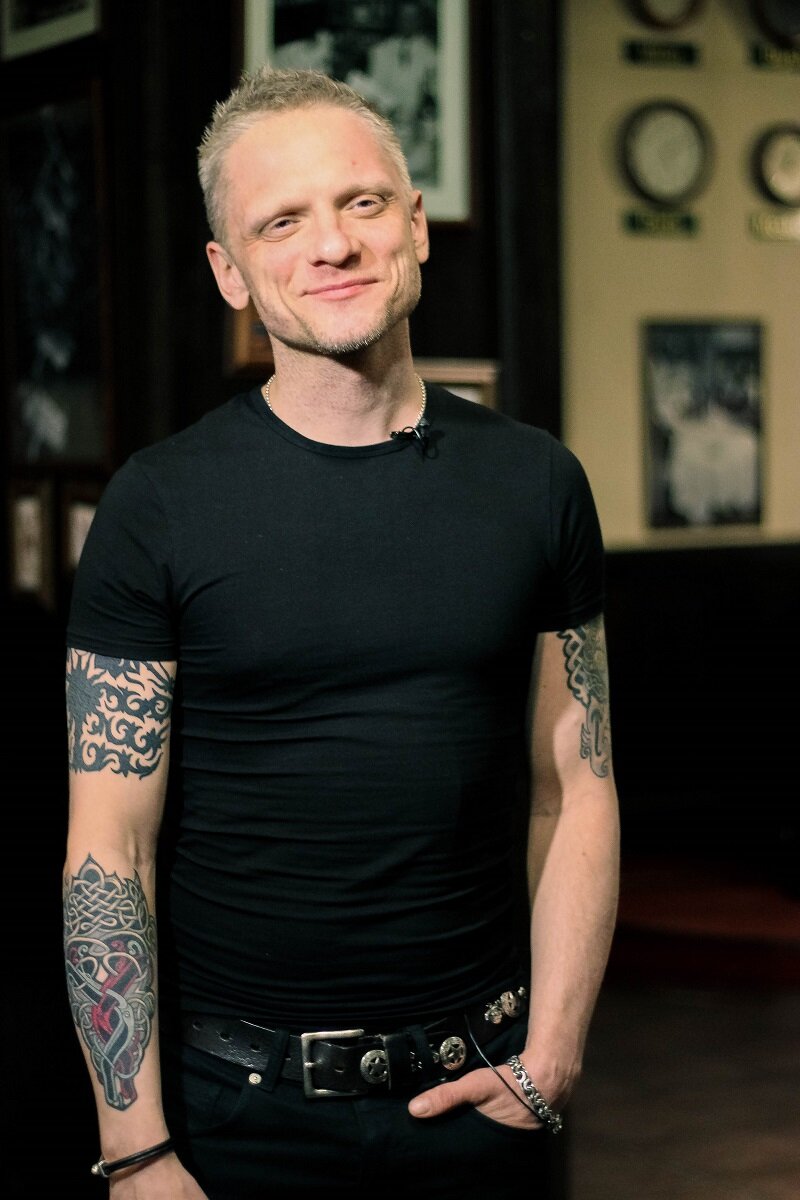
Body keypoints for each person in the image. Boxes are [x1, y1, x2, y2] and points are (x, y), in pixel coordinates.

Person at [63, 67, 620, 1200]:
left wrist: (552, 1055)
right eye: (282, 221)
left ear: (415, 225)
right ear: (229, 272)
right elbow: (109, 849)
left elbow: (574, 785)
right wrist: (136, 1146)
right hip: (232, 1116)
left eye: (361, 203)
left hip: (481, 1094)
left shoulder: (538, 483)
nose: (333, 244)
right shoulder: (158, 505)